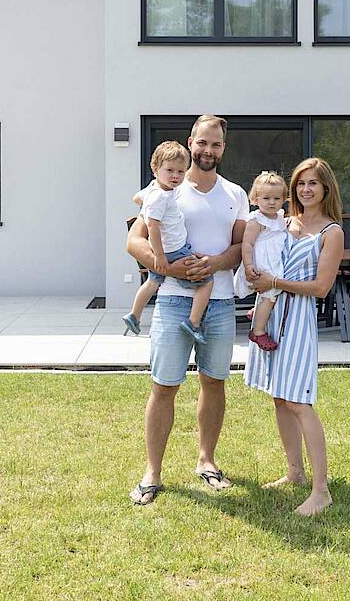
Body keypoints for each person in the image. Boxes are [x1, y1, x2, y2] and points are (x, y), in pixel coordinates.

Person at [125, 115, 247, 506]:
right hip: (175, 300)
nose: (208, 151)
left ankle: (206, 461)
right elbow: (135, 241)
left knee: (214, 383)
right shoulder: (167, 185)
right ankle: (152, 473)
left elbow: (239, 248)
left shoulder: (236, 194)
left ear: (224, 149)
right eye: (202, 143)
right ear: (191, 142)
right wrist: (169, 267)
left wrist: (212, 264)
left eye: (216, 145)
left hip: (221, 302)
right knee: (164, 386)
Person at [244, 157, 344, 517]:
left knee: (300, 401)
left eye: (313, 183)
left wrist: (274, 283)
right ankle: (295, 473)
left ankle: (321, 491)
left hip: (299, 320)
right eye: (300, 183)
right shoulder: (283, 222)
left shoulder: (331, 233)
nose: (305, 189)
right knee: (280, 398)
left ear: (326, 188)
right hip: (271, 316)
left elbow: (320, 288)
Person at [121, 141, 213, 344]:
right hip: (173, 251)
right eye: (170, 170)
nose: (175, 176)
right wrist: (160, 257)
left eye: (180, 172)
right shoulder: (161, 197)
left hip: (167, 249)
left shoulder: (154, 189)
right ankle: (193, 322)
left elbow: (137, 197)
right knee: (206, 281)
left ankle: (134, 315)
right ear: (155, 169)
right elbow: (152, 226)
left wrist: (143, 201)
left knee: (153, 282)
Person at [234, 171, 290, 353]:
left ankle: (258, 311)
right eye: (266, 198)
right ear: (256, 198)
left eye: (276, 198)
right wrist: (249, 265)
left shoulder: (281, 217)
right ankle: (257, 331)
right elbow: (248, 243)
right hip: (261, 261)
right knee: (271, 289)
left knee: (271, 292)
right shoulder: (257, 219)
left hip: (274, 259)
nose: (272, 202)